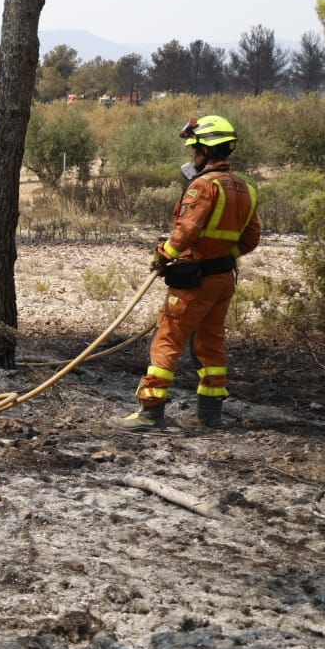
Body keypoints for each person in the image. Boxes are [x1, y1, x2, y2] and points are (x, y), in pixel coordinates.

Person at [110, 115, 261, 432]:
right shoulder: (246, 189)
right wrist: (221, 258)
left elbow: (187, 230)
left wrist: (164, 255)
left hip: (195, 281)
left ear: (206, 150)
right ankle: (210, 415)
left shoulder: (204, 186)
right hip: (222, 280)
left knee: (167, 338)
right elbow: (250, 240)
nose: (192, 156)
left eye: (195, 149)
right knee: (210, 343)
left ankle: (150, 412)